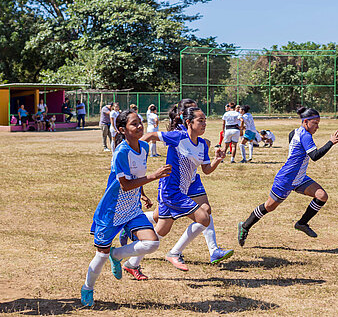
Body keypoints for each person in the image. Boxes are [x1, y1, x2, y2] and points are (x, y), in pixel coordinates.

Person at [80, 109, 172, 307]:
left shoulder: (145, 148)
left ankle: (117, 254)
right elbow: (125, 185)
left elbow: (136, 177)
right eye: (134, 124)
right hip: (112, 211)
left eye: (140, 122)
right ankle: (88, 288)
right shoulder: (121, 152)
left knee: (152, 244)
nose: (139, 126)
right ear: (122, 129)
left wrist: (143, 195)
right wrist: (155, 176)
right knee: (100, 255)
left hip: (132, 208)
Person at [130, 99, 233, 272]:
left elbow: (206, 170)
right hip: (171, 190)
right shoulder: (178, 136)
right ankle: (175, 252)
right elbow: (153, 136)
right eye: (201, 120)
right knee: (204, 217)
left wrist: (218, 159)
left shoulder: (202, 144)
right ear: (188, 120)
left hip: (186, 187)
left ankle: (131, 261)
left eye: (205, 121)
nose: (204, 124)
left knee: (161, 230)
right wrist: (135, 151)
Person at [237, 107, 338, 247]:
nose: (317, 127)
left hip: (299, 178)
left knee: (321, 196)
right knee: (269, 206)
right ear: (305, 122)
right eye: (315, 123)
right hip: (286, 179)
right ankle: (245, 226)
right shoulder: (305, 135)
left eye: (318, 123)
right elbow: (315, 156)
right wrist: (331, 142)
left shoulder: (295, 132)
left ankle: (302, 223)